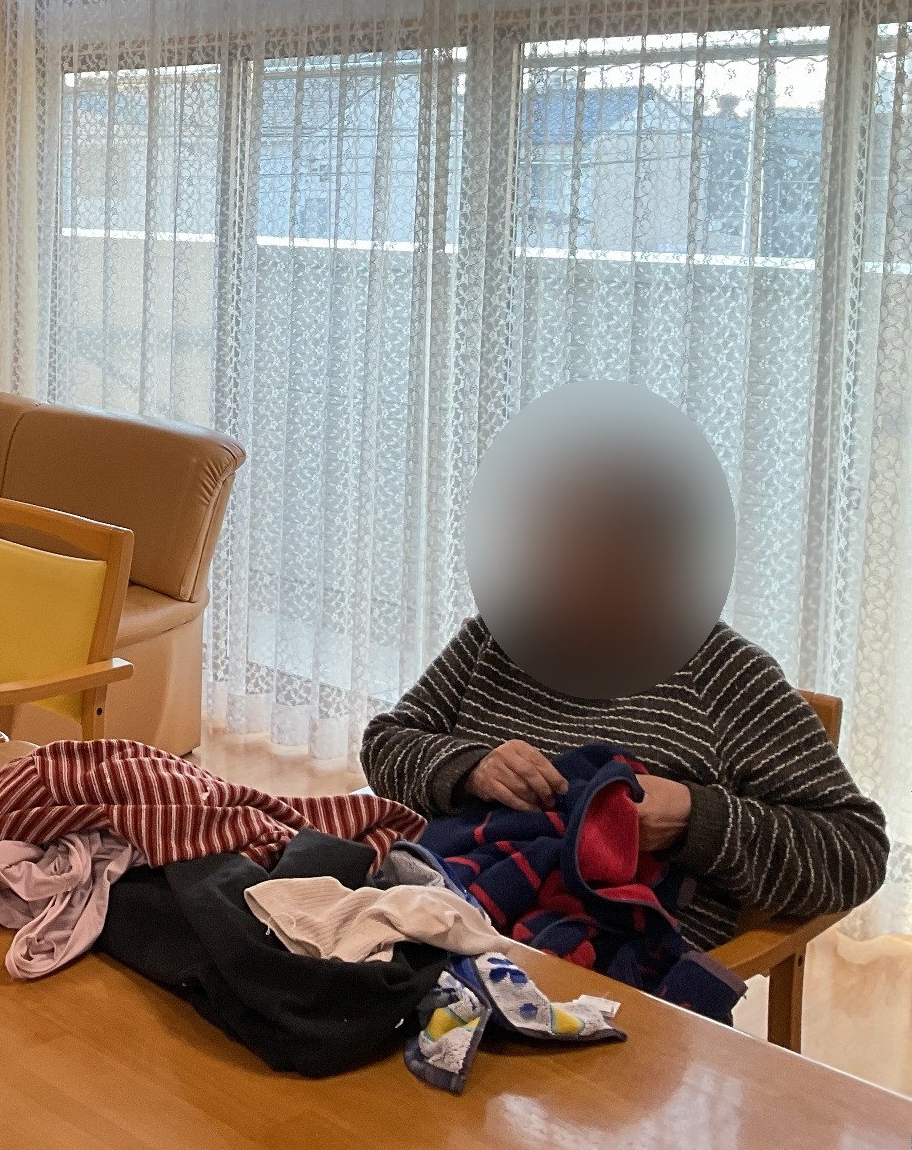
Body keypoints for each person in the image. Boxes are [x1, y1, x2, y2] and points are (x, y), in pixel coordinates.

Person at [362, 387, 888, 952]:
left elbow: (855, 852)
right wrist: (472, 768)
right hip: (442, 918)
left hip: (606, 962)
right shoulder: (501, 634)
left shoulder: (725, 675)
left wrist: (692, 818)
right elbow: (385, 745)